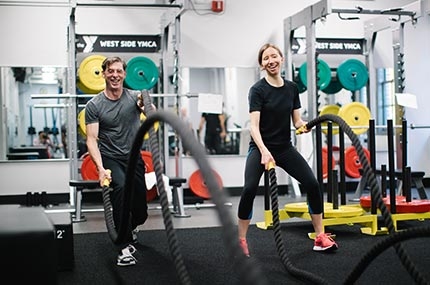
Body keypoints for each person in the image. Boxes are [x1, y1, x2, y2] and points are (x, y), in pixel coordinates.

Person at [237, 43, 338, 257]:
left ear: (282, 59)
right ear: (261, 64)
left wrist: (304, 126)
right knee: (248, 189)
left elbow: (296, 120)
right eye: (266, 58)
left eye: (274, 56)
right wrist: (264, 151)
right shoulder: (257, 90)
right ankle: (241, 239)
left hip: (284, 148)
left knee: (312, 183)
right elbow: (253, 126)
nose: (271, 61)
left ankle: (320, 236)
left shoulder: (292, 88)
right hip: (260, 148)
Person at [85, 56, 151, 266]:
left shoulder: (134, 97)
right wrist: (100, 168)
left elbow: (153, 117)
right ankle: (123, 248)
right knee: (121, 188)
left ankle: (131, 225)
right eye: (110, 71)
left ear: (124, 74)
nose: (114, 75)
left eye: (118, 71)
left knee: (141, 211)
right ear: (103, 73)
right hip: (111, 158)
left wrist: (147, 104)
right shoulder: (94, 105)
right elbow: (91, 140)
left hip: (134, 158)